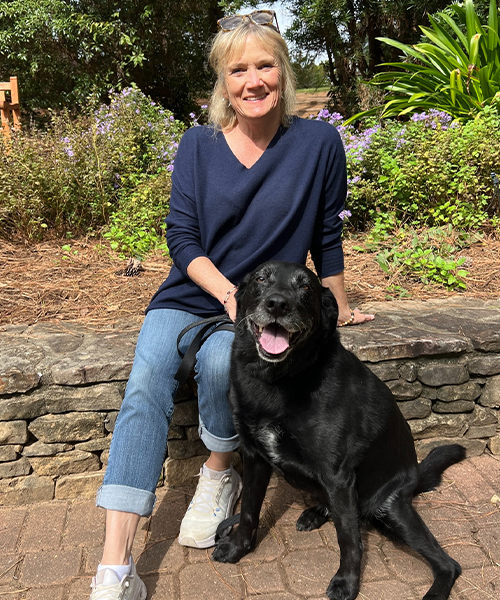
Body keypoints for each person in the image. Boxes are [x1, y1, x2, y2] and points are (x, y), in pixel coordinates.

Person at [89, 10, 374, 600]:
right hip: (194, 294)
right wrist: (226, 294)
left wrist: (338, 304)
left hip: (262, 308)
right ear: (223, 82)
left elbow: (327, 234)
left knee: (223, 365)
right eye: (238, 69)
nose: (253, 80)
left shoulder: (318, 142)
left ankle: (217, 476)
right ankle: (115, 566)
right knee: (146, 381)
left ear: (284, 71)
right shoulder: (197, 146)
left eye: (265, 65)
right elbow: (181, 237)